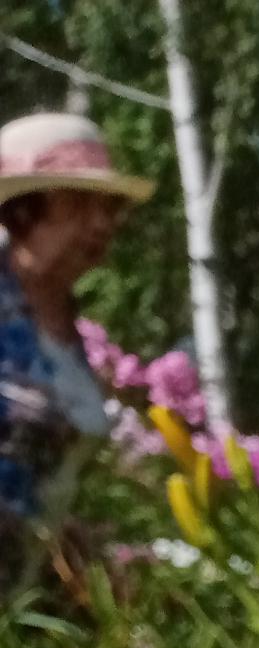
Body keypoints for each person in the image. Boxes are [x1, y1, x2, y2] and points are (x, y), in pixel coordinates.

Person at [0, 112, 152, 578]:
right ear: (26, 210)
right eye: (82, 204)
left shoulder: (67, 329)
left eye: (109, 210)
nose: (103, 224)